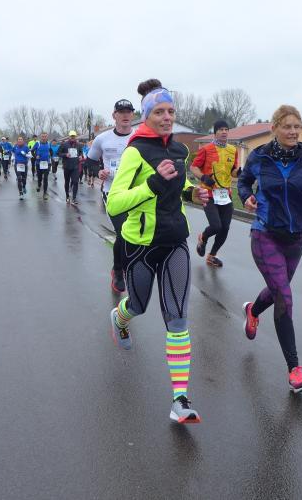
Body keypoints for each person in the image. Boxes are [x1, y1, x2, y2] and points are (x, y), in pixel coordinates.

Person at [106, 79, 209, 424]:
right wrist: (152, 183)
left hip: (175, 241)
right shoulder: (135, 151)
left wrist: (192, 193)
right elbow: (115, 203)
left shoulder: (179, 150)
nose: (167, 117)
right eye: (160, 112)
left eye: (171, 111)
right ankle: (119, 318)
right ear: (147, 116)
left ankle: (180, 400)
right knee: (137, 305)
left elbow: (179, 185)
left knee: (178, 318)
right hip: (140, 245)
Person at [237, 104, 302, 394]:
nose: (293, 132)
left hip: (295, 237)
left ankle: (253, 310)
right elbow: (244, 182)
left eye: (297, 127)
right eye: (287, 127)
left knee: (279, 289)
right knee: (284, 297)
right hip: (265, 233)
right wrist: (247, 197)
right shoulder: (260, 156)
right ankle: (294, 370)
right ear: (274, 128)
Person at [86, 98, 134, 293]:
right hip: (112, 191)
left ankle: (131, 266)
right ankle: (118, 271)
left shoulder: (139, 137)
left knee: (135, 234)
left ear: (133, 115)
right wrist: (98, 172)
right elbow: (90, 161)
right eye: (121, 112)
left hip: (136, 192)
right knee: (123, 232)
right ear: (114, 115)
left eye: (128, 111)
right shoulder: (102, 139)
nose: (125, 115)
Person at [190, 120, 240, 268]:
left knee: (225, 228)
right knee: (216, 226)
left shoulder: (233, 150)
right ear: (215, 132)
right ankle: (203, 238)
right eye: (221, 129)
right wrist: (203, 177)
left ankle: (212, 256)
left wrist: (238, 172)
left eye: (226, 129)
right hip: (209, 194)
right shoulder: (206, 149)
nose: (224, 132)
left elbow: (233, 171)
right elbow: (194, 167)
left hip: (225, 194)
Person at [59, 131, 82, 204]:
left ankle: (74, 198)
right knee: (67, 181)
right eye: (71, 136)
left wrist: (81, 156)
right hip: (67, 166)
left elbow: (80, 152)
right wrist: (65, 155)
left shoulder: (79, 145)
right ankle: (67, 196)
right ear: (69, 137)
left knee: (75, 182)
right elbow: (59, 153)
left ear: (76, 137)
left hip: (75, 166)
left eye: (74, 136)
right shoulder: (64, 144)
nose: (73, 137)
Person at [32, 132, 53, 200]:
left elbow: (51, 152)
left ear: (47, 137)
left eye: (45, 136)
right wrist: (35, 156)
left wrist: (50, 155)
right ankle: (39, 185)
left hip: (47, 163)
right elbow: (32, 151)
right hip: (39, 163)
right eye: (43, 136)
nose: (44, 138)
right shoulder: (37, 143)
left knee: (45, 178)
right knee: (40, 177)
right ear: (41, 137)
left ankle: (45, 193)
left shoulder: (49, 144)